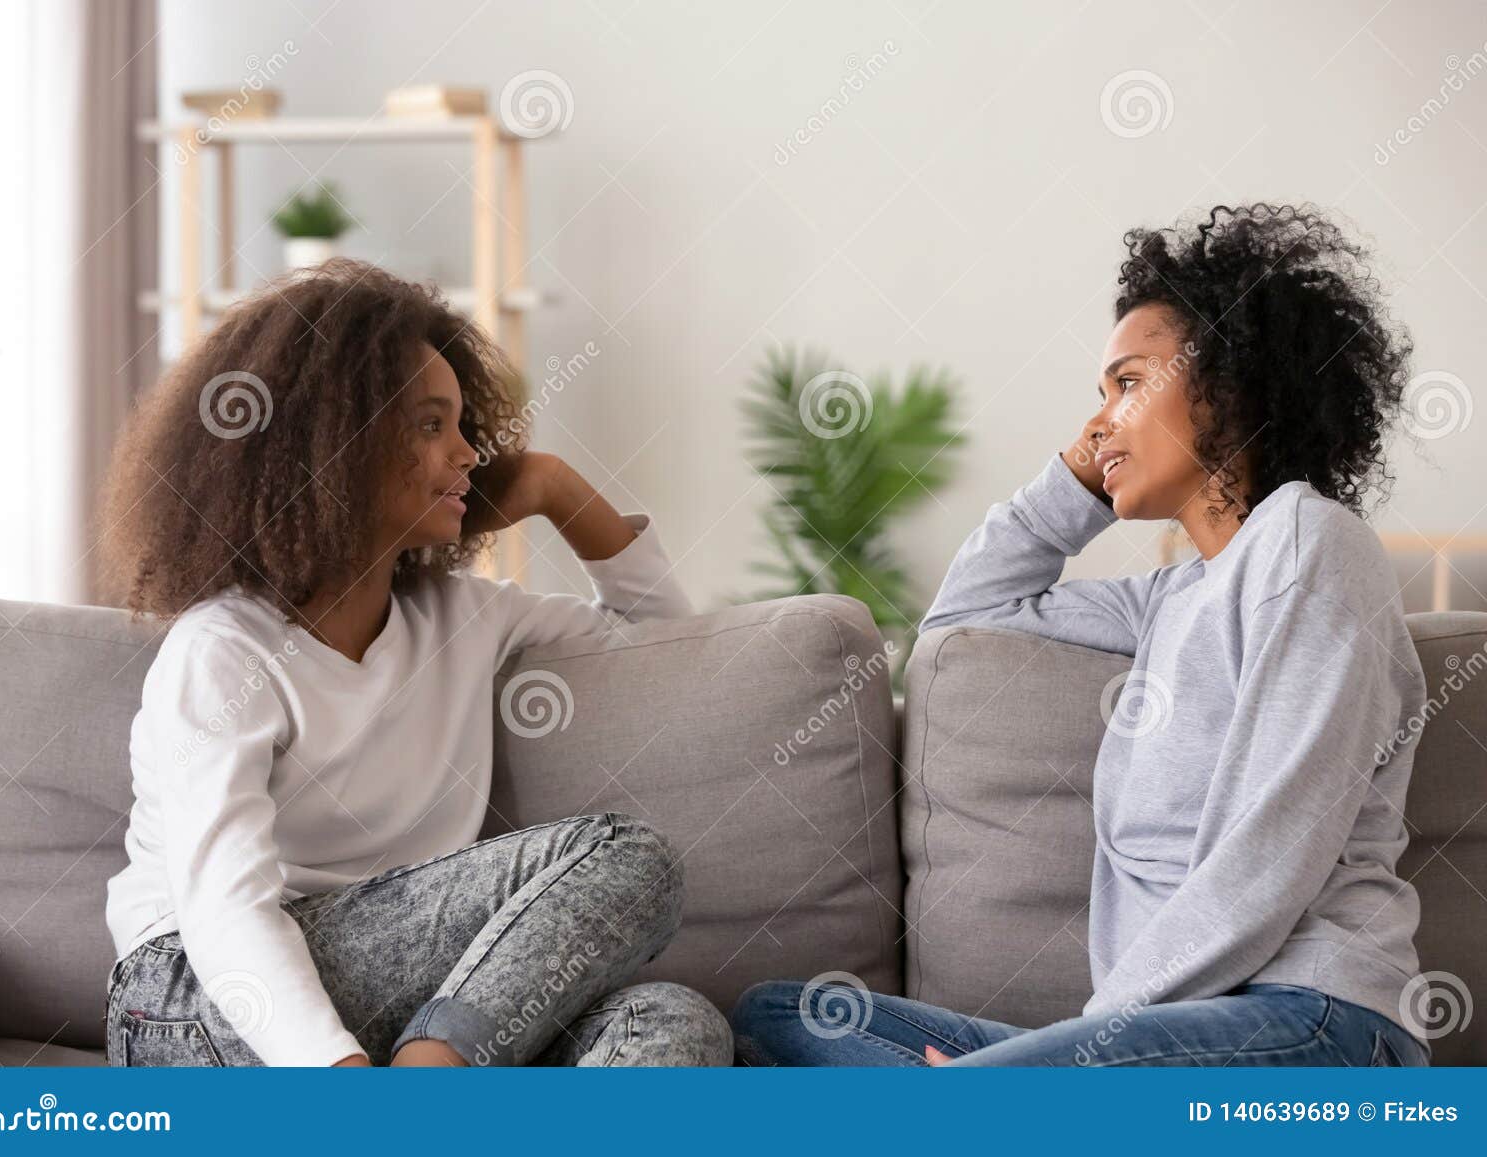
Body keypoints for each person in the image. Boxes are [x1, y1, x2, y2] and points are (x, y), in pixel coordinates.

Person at [734, 203, 1432, 1067]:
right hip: (1143, 1036)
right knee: (788, 1015)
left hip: (1315, 1020)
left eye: (1129, 382)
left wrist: (1075, 1049)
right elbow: (963, 622)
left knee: (966, 1095)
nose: (1099, 422)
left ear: (1230, 385)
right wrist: (1077, 480)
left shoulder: (1310, 542)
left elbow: (1271, 853)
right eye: (1098, 395)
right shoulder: (1170, 598)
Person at [97, 259, 730, 1067]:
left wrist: (552, 486)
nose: (470, 453)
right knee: (630, 858)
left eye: (464, 425)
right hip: (193, 1001)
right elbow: (226, 909)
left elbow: (669, 648)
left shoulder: (467, 614)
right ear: (329, 442)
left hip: (398, 1000)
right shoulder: (222, 650)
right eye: (431, 426)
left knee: (668, 1018)